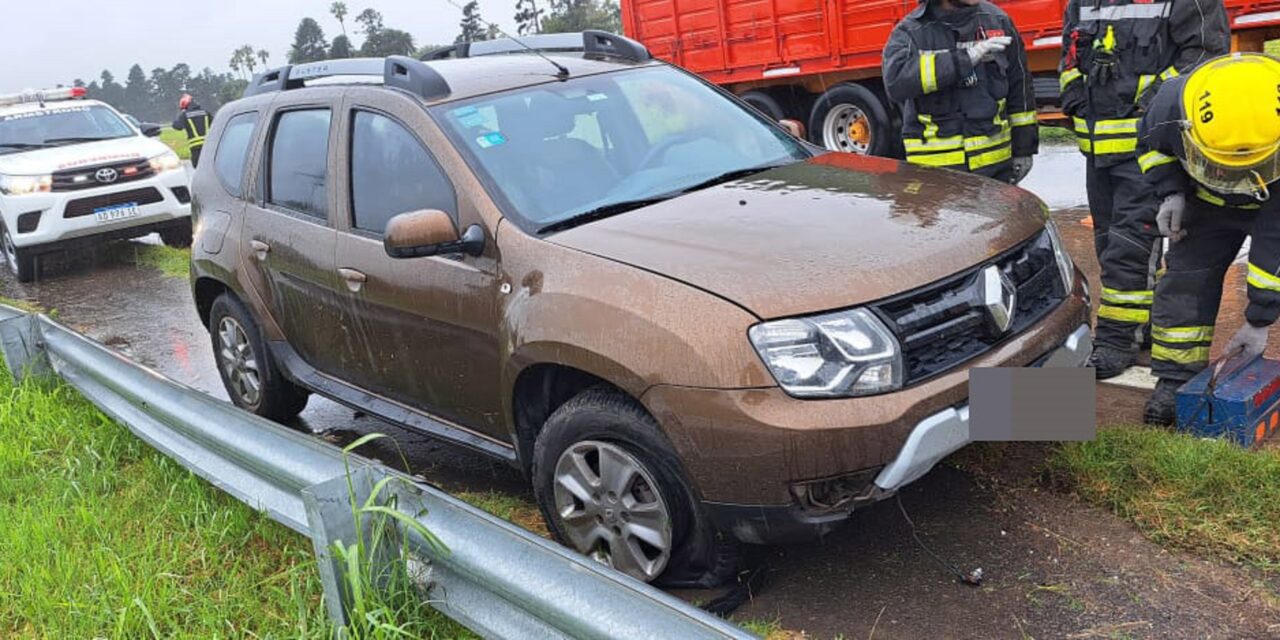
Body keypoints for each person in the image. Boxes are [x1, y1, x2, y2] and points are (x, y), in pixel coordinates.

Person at [1059, 0, 1229, 379]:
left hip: (1149, 151)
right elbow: (1069, 54)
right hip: (1097, 152)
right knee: (1108, 244)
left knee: (1130, 248)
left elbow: (1204, 56)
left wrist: (1152, 102)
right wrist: (1073, 93)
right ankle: (1144, 326)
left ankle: (1116, 342)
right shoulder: (1084, 2)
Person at [1136, 52, 1280, 424]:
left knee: (1273, 273)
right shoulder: (1169, 105)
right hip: (1205, 202)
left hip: (1274, 201)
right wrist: (1171, 192)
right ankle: (1173, 380)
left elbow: (1274, 245)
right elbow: (1151, 150)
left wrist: (1259, 320)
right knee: (1184, 282)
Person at [882, 0, 1038, 184]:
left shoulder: (998, 21)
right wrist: (964, 60)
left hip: (996, 170)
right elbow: (896, 83)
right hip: (937, 174)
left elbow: (1020, 89)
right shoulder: (911, 31)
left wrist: (1024, 150)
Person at [172, 93, 211, 168]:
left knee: (198, 167)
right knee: (209, 166)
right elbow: (215, 124)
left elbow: (176, 126)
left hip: (195, 147)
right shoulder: (205, 112)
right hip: (208, 144)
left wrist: (181, 115)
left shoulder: (185, 115)